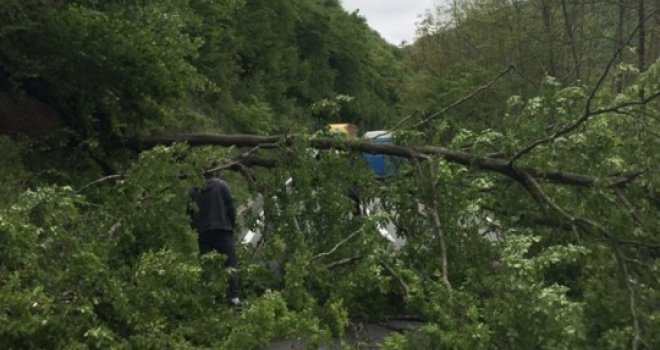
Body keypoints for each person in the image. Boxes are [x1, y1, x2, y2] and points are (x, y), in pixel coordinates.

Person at [189, 171, 240, 307]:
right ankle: (234, 298)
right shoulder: (222, 186)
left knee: (207, 265)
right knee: (231, 263)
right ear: (215, 172)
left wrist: (196, 227)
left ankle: (210, 298)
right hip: (223, 229)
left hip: (204, 232)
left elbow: (190, 213)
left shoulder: (193, 191)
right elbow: (231, 208)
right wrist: (232, 225)